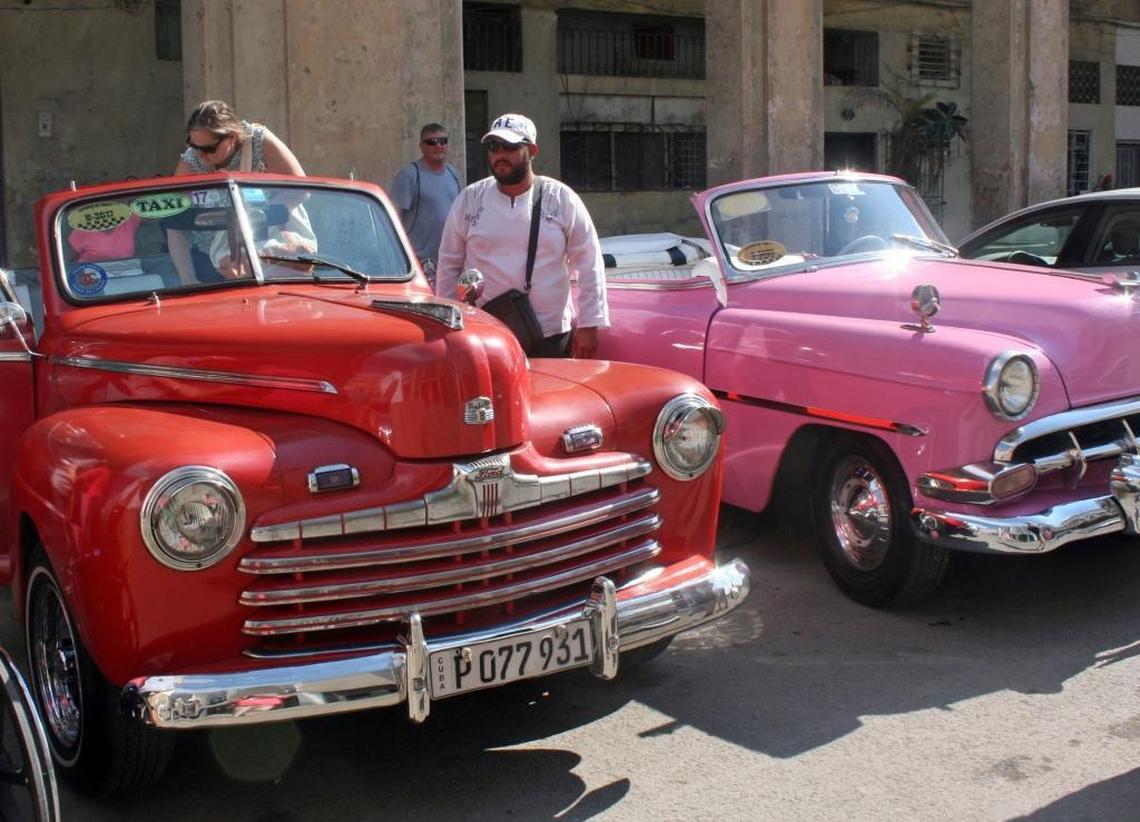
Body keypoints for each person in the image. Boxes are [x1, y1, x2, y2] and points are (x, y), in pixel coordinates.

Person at [435, 113, 608, 358]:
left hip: (550, 335)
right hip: (487, 336)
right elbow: (449, 265)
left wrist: (591, 324)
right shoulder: (470, 200)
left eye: (510, 146)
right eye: (494, 147)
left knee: (550, 396)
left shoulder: (561, 198)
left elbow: (590, 263)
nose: (500, 154)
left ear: (532, 150)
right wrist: (449, 323)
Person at [171, 100, 308, 283]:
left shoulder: (259, 141)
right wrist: (188, 279)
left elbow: (301, 190)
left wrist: (258, 217)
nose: (200, 155)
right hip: (214, 263)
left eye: (208, 149)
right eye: (193, 146)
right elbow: (175, 222)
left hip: (273, 255)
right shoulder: (191, 162)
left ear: (232, 138)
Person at [390, 122, 462, 284]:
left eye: (443, 141)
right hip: (419, 264)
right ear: (421, 146)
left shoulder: (454, 174)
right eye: (432, 142)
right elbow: (393, 219)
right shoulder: (409, 175)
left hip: (449, 263)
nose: (438, 146)